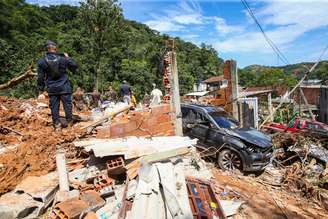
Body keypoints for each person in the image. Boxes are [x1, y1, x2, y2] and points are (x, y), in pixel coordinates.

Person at [37, 40, 78, 131]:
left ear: (46, 49)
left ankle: (57, 125)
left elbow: (40, 77)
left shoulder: (42, 61)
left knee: (54, 107)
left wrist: (41, 89)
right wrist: (68, 58)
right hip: (64, 86)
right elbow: (75, 66)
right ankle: (69, 123)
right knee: (67, 105)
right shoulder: (63, 58)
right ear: (55, 48)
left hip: (52, 87)